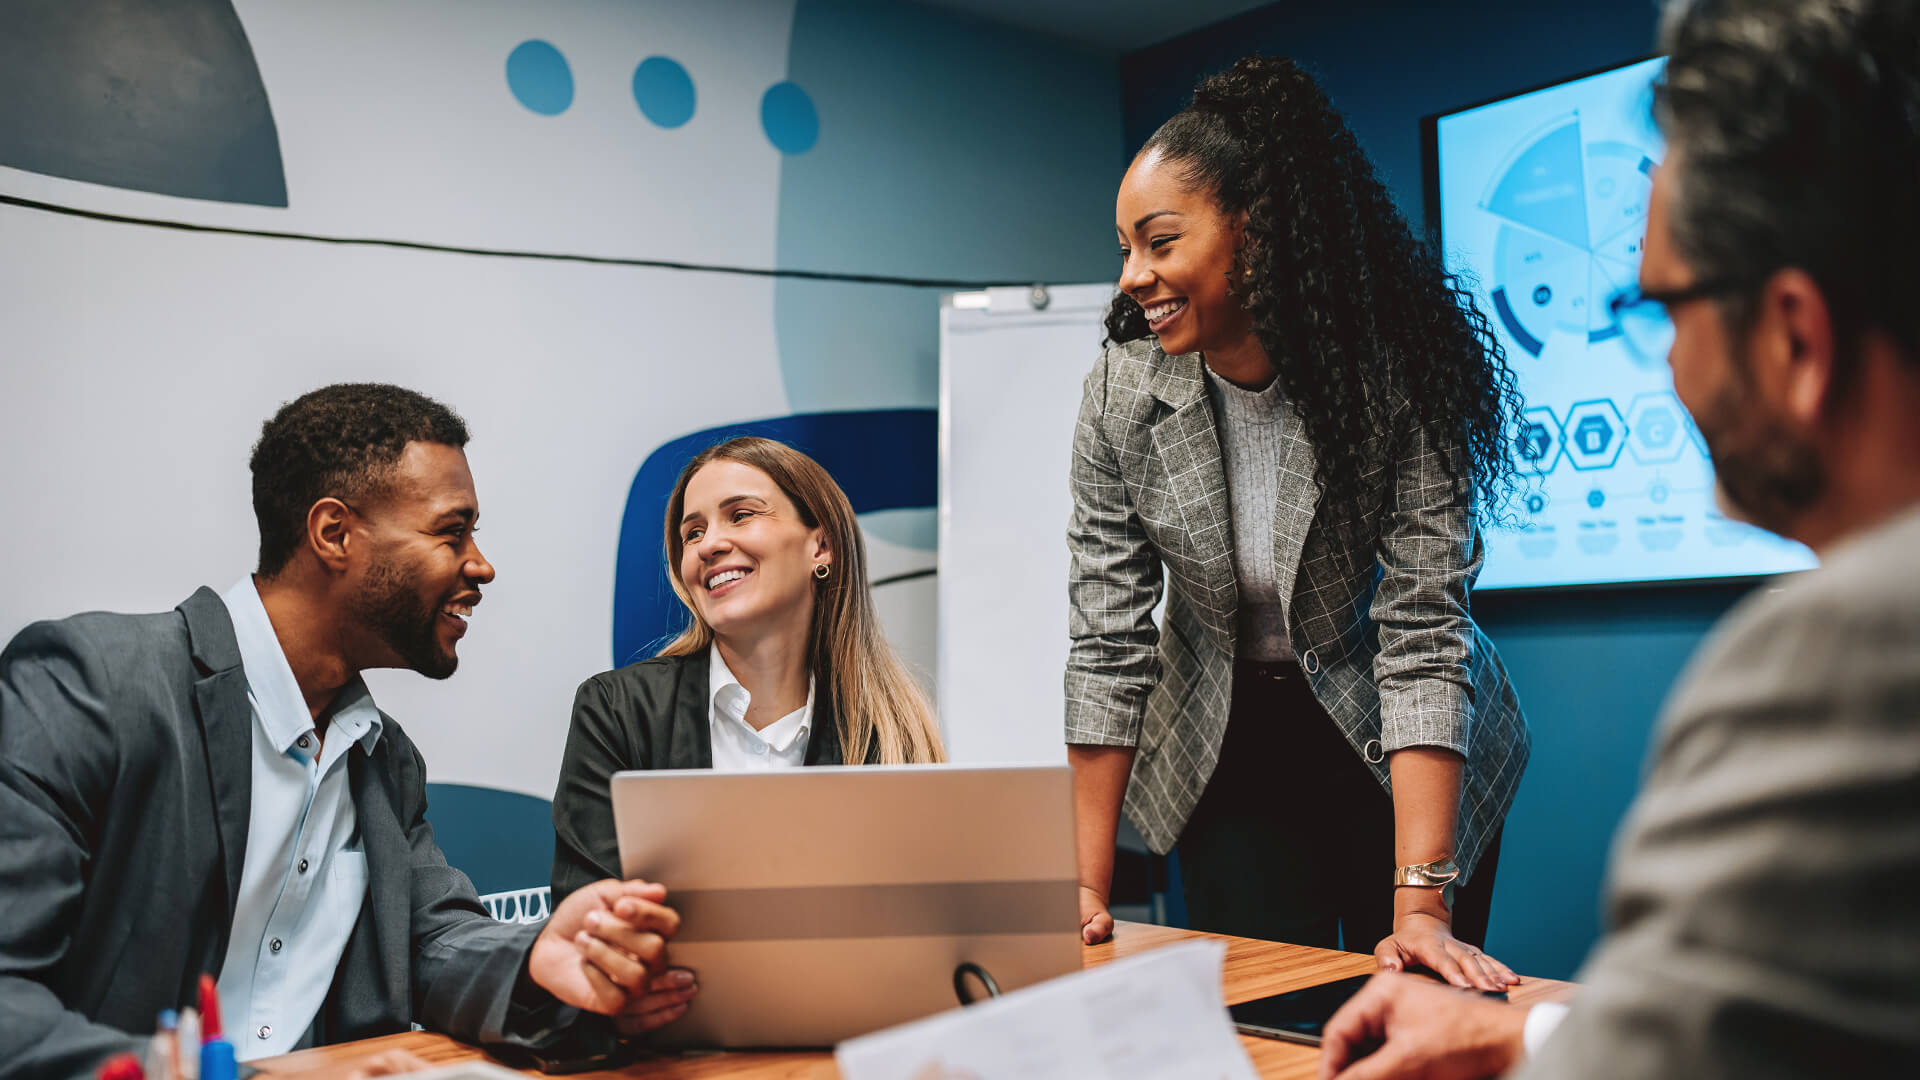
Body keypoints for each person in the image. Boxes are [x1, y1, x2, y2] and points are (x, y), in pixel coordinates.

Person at [1319, 1, 1920, 1076]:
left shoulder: (1848, 652)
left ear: (1793, 338)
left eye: (1662, 313)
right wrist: (1526, 1030)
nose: (1672, 371)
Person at [0, 384, 678, 1077]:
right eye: (452, 531)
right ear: (333, 534)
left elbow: (431, 941)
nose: (481, 564)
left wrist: (537, 963)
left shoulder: (386, 756)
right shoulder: (89, 686)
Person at [1066, 54, 1529, 991]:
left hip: (1399, 732)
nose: (1132, 277)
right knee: (1275, 1014)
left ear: (1258, 229)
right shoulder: (1122, 390)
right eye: (1123, 248)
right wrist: (1080, 885)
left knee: (1412, 1004)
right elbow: (1109, 639)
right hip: (1224, 737)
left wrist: (1420, 903)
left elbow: (1422, 632)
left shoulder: (1391, 373)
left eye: (1159, 242)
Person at [549, 435, 944, 930]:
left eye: (741, 515)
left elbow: (916, 933)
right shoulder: (615, 712)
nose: (709, 545)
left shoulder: (890, 733)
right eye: (692, 533)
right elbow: (589, 930)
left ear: (820, 546)